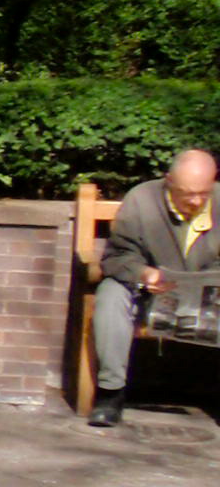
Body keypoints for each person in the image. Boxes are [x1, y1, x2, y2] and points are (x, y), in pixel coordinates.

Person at [88, 148, 218, 427]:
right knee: (110, 295)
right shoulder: (141, 199)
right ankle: (110, 393)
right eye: (187, 193)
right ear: (169, 181)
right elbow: (116, 257)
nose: (196, 201)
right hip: (150, 295)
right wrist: (144, 274)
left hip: (208, 299)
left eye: (204, 193)